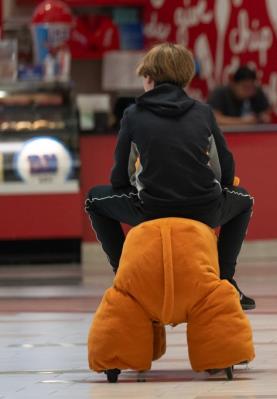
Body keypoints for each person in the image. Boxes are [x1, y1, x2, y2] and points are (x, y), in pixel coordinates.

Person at [85, 43, 255, 310]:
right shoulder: (203, 113)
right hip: (205, 209)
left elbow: (120, 176)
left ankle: (125, 276)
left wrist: (141, 183)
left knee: (94, 199)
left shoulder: (133, 115)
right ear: (185, 78)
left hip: (151, 209)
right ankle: (225, 278)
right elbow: (225, 169)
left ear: (149, 78)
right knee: (244, 199)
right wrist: (217, 189)